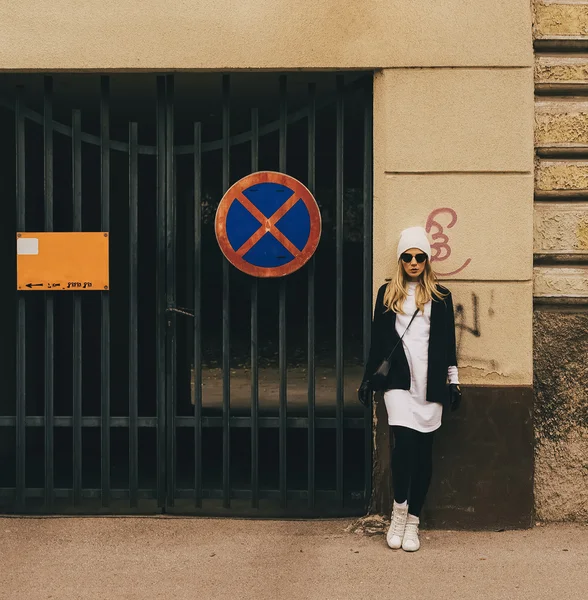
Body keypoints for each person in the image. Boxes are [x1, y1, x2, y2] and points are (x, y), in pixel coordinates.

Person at [358, 226, 461, 552]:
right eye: (407, 257)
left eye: (419, 257)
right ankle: (398, 514)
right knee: (403, 448)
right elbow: (378, 344)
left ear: (427, 259)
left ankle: (414, 520)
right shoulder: (387, 294)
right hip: (398, 385)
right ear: (400, 260)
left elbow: (448, 345)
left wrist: (454, 380)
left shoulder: (441, 297)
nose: (413, 262)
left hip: (429, 386)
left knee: (423, 455)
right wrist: (366, 379)